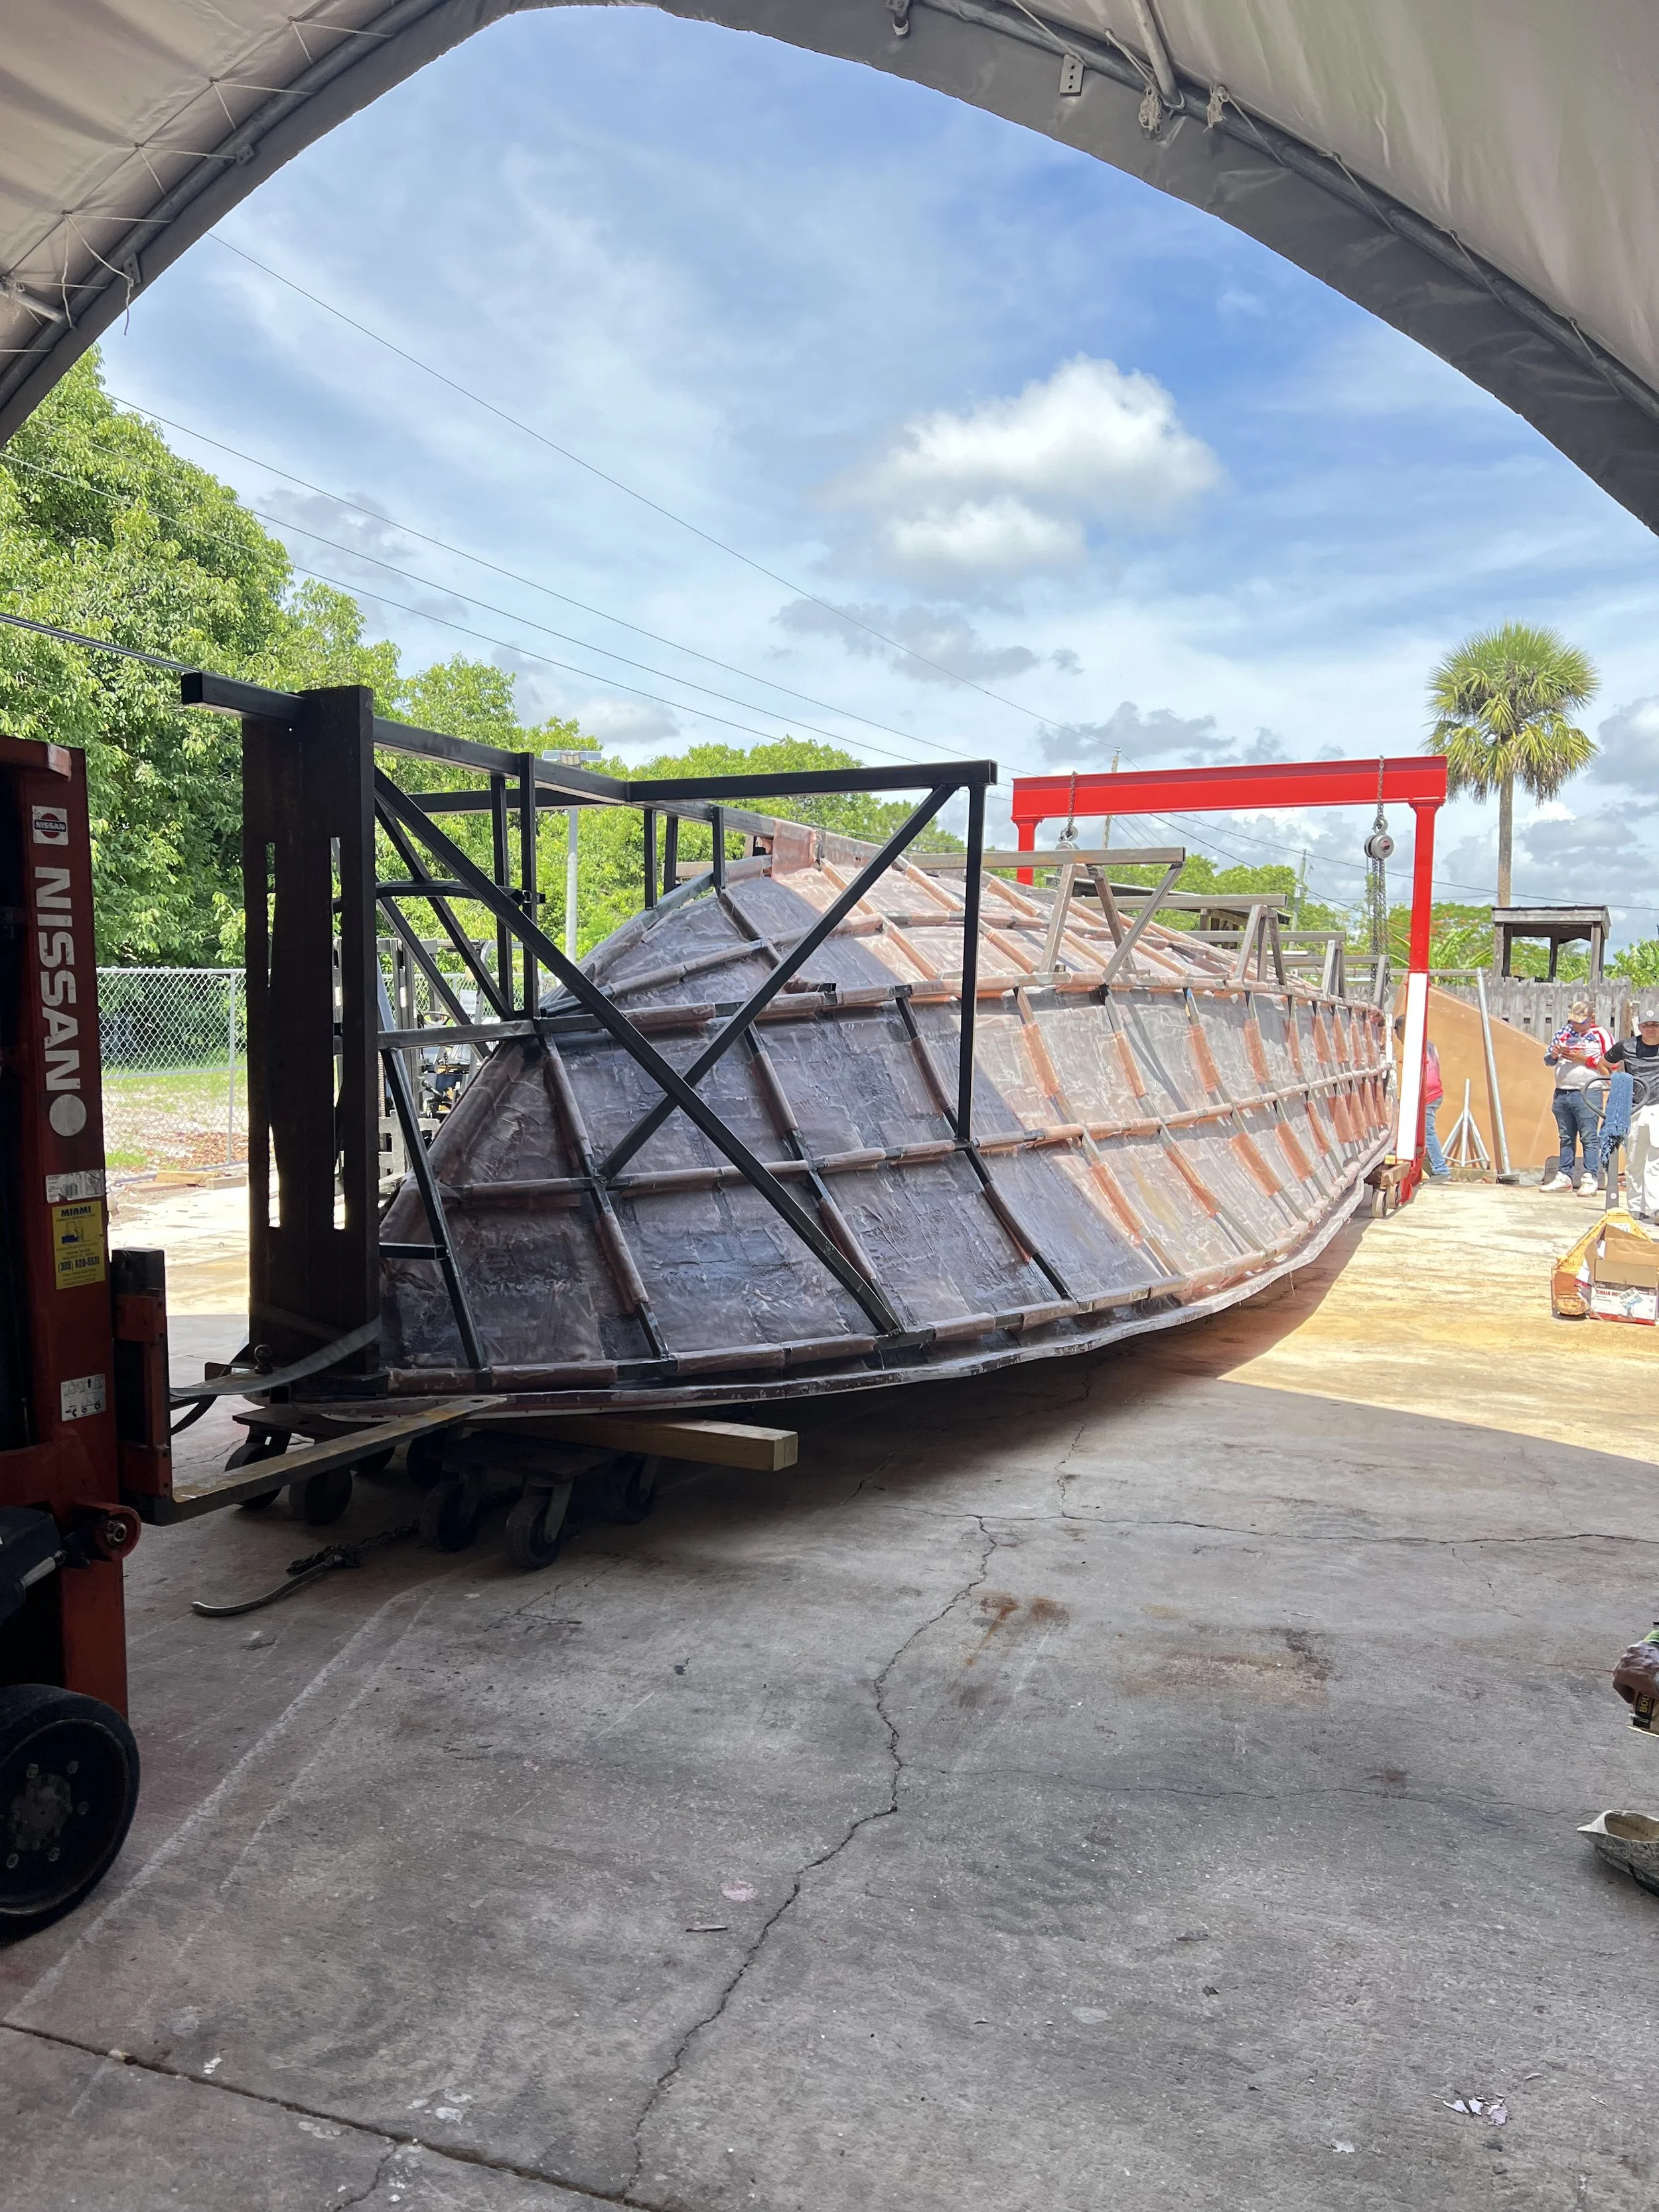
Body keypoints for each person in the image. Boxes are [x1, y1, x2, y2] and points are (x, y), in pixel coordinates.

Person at [1542, 997, 1614, 1193]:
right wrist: (1556, 1054)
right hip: (1563, 1092)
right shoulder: (1564, 1033)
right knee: (1566, 1136)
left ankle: (1590, 1177)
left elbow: (1612, 1064)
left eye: (1580, 1022)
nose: (1575, 1025)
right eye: (1573, 1021)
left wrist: (1584, 1060)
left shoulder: (1601, 1035)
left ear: (1592, 1018)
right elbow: (1548, 1060)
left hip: (1588, 1091)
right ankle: (1564, 1176)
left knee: (1589, 1136)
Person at [1609, 1009, 1659, 1217]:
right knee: (1635, 1160)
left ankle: (1655, 1208)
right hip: (1635, 1107)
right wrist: (1618, 1086)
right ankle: (1636, 1208)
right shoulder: (1627, 1046)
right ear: (1640, 1027)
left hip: (1658, 1107)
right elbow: (1606, 1063)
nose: (1650, 1029)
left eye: (1655, 1025)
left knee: (1656, 1160)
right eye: (1646, 1025)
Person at [1393, 1015, 1450, 1178]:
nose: (1397, 1037)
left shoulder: (1416, 1047)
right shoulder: (1429, 1045)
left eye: (1397, 1032)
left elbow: (1422, 1077)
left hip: (1428, 1095)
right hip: (1432, 1093)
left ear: (1403, 1030)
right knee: (1416, 1129)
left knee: (1427, 1132)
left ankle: (1441, 1169)